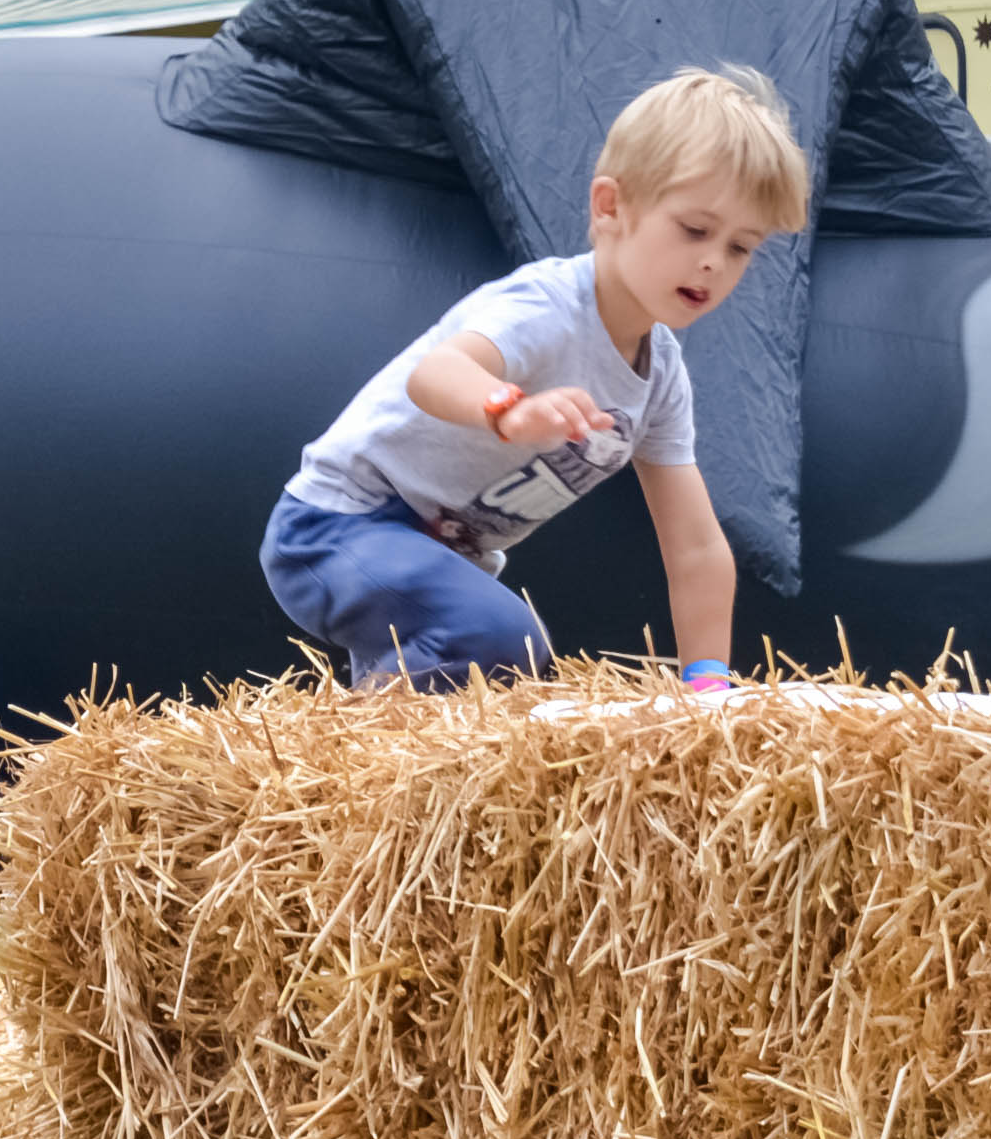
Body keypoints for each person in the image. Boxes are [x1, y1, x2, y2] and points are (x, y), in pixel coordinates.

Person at [257, 64, 804, 691]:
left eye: (740, 247)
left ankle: (374, 733)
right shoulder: (548, 307)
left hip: (432, 557)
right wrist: (508, 409)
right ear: (611, 207)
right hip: (337, 524)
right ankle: (361, 747)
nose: (713, 262)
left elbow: (697, 548)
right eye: (695, 230)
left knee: (495, 679)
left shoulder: (660, 379)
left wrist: (708, 685)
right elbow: (435, 373)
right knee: (505, 641)